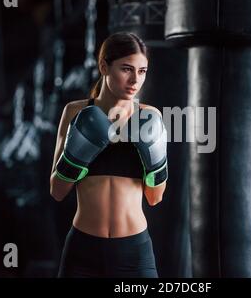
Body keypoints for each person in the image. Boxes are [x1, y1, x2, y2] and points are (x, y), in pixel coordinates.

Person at [50, 32, 168, 278]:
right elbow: (57, 191)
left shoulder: (149, 117)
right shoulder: (75, 112)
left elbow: (155, 198)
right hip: (83, 250)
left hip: (134, 252)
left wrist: (154, 157)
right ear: (104, 66)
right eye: (126, 69)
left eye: (142, 71)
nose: (135, 80)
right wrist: (77, 154)